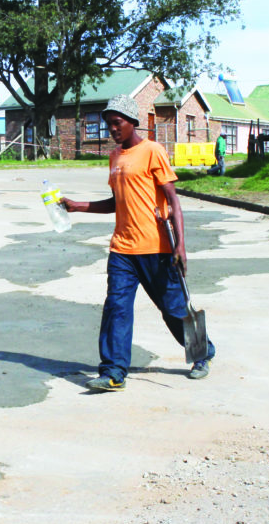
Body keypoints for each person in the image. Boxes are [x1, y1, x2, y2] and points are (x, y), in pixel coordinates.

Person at [61, 95, 215, 392]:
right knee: (116, 308)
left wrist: (180, 245)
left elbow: (173, 200)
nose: (112, 130)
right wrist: (78, 206)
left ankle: (202, 353)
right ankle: (114, 371)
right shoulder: (115, 157)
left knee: (173, 308)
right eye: (109, 125)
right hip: (122, 250)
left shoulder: (152, 151)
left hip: (157, 248)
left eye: (117, 123)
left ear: (133, 122)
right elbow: (118, 202)